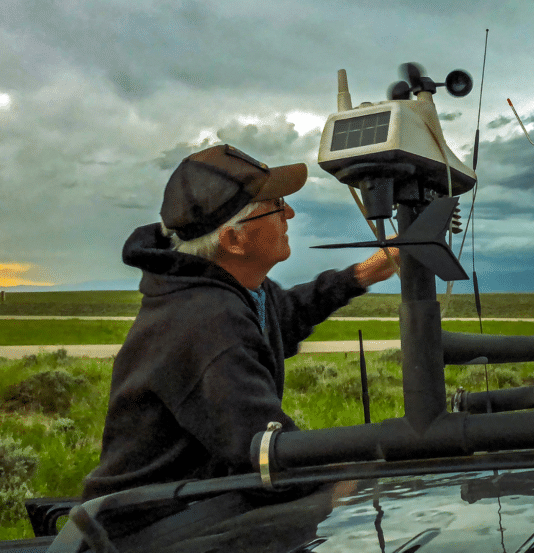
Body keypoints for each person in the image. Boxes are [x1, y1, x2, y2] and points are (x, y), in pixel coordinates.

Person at [82, 144, 398, 500]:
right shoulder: (207, 323)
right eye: (277, 206)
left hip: (200, 500)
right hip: (155, 524)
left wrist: (366, 273)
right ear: (234, 239)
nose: (289, 213)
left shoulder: (235, 292)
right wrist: (365, 483)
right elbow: (266, 456)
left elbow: (285, 314)